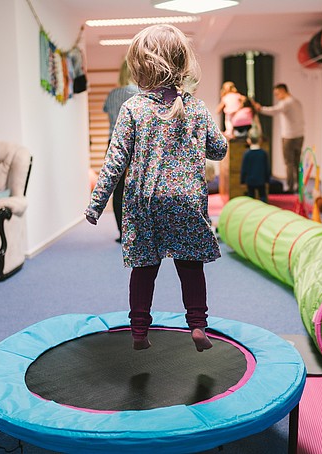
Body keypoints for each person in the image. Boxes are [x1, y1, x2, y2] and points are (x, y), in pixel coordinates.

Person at [85, 24, 227, 352]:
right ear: (182, 65)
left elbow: (114, 162)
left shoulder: (133, 108)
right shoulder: (195, 107)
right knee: (191, 266)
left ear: (139, 67)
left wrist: (96, 204)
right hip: (187, 201)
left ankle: (139, 332)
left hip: (144, 202)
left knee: (144, 269)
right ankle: (197, 324)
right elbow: (218, 150)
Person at [103, 60, 139, 242]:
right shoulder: (139, 94)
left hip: (113, 144)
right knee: (137, 187)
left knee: (117, 189)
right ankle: (138, 231)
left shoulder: (112, 95)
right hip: (135, 144)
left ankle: (122, 232)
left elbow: (107, 112)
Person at [254, 83, 304, 193]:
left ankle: (291, 188)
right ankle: (299, 187)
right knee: (297, 162)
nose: (276, 96)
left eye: (277, 94)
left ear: (282, 91)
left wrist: (260, 108)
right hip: (300, 135)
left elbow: (274, 111)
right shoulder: (296, 101)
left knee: (289, 163)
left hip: (289, 136)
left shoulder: (286, 103)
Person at [241, 129, 270, 202]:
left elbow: (244, 168)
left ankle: (252, 210)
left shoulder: (247, 154)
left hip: (250, 180)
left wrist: (242, 180)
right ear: (260, 140)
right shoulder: (263, 153)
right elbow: (267, 168)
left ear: (249, 140)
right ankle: (264, 209)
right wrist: (267, 180)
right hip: (261, 180)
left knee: (251, 197)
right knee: (263, 196)